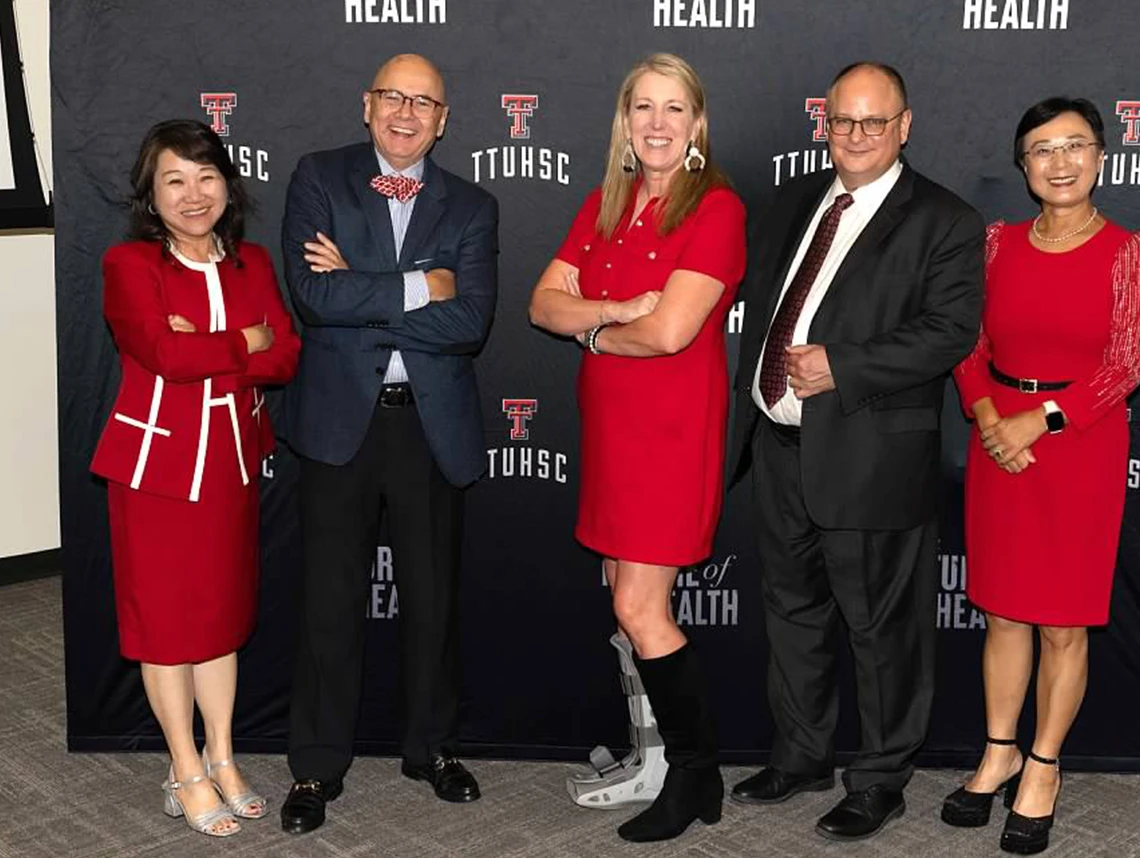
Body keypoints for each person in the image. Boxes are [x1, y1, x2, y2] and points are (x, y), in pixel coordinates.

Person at [727, 62, 985, 841]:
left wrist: (844, 363)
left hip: (873, 457)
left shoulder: (944, 219)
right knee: (792, 612)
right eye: (843, 121)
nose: (857, 136)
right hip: (779, 446)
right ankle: (802, 753)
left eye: (875, 122)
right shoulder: (796, 198)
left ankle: (879, 778)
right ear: (825, 124)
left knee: (882, 628)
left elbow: (950, 332)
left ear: (905, 125)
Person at [278, 53, 498, 835]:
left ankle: (432, 749)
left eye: (425, 102)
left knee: (433, 602)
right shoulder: (318, 176)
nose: (407, 113)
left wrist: (360, 285)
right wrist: (418, 284)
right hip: (340, 423)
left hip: (429, 426)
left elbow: (469, 322)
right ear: (367, 104)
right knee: (328, 604)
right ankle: (315, 766)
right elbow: (312, 296)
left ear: (444, 120)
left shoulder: (472, 205)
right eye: (393, 97)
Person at [529, 53, 746, 842]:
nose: (657, 123)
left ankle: (696, 776)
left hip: (669, 433)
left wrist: (595, 324)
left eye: (674, 109)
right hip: (612, 430)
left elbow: (671, 332)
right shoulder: (604, 204)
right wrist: (608, 310)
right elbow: (541, 304)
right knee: (626, 600)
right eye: (643, 108)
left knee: (638, 606)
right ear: (625, 122)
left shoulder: (716, 209)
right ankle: (652, 758)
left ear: (697, 125)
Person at [942, 97, 1140, 855]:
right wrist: (985, 413)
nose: (1060, 162)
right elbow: (966, 341)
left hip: (1078, 448)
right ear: (1023, 164)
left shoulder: (1133, 251)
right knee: (1003, 613)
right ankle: (999, 750)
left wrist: (1038, 422)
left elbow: (1124, 367)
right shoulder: (995, 244)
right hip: (997, 440)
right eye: (1042, 149)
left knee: (1063, 624)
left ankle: (1043, 766)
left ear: (1102, 156)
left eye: (1075, 145)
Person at [90, 119, 300, 837]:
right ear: (150, 195)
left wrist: (206, 343)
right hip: (154, 472)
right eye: (174, 180)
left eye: (206, 176)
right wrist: (246, 339)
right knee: (166, 628)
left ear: (228, 185)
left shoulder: (255, 265)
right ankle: (184, 768)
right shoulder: (130, 266)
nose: (193, 193)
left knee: (217, 624)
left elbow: (287, 358)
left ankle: (224, 756)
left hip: (230, 469)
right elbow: (163, 357)